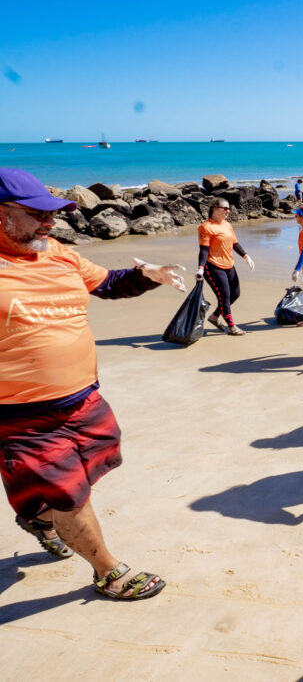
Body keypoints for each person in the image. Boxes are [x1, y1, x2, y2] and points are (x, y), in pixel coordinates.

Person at [0, 168, 187, 600]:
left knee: (101, 460)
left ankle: (38, 517)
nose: (50, 223)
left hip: (85, 398)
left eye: (53, 214)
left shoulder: (59, 253)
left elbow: (107, 283)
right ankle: (107, 571)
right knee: (70, 495)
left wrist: (148, 276)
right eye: (37, 215)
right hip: (23, 416)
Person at [197, 197, 255, 336]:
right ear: (215, 209)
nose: (228, 211)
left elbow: (234, 243)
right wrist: (200, 268)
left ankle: (214, 317)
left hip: (229, 265)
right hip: (213, 266)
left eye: (229, 208)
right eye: (225, 208)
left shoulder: (227, 225)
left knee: (235, 294)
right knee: (225, 296)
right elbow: (204, 250)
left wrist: (246, 256)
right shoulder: (206, 227)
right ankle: (231, 327)